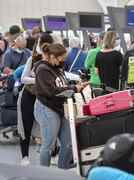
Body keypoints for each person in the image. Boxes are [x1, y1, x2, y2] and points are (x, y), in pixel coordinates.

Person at [34, 43, 87, 169]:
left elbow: (61, 84)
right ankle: (43, 172)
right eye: (61, 58)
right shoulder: (42, 70)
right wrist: (73, 88)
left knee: (68, 142)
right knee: (48, 145)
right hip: (47, 108)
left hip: (59, 108)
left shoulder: (57, 67)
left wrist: (74, 86)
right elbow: (51, 91)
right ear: (52, 56)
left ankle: (61, 171)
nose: (63, 61)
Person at [18, 32, 54, 166]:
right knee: (26, 126)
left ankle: (46, 152)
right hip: (29, 95)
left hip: (43, 97)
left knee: (47, 125)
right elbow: (23, 78)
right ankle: (25, 156)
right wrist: (38, 80)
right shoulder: (32, 59)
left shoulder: (54, 60)